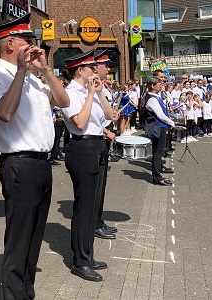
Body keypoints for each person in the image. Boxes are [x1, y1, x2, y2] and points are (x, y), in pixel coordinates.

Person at [0, 13, 69, 299]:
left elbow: (64, 102)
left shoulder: (33, 78)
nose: (34, 45)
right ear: (9, 45)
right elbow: (4, 113)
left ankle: (25, 294)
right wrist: (20, 71)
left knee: (34, 238)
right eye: (27, 41)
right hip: (20, 164)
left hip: (41, 165)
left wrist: (45, 70)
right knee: (19, 240)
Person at [61, 49, 113, 282]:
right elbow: (80, 123)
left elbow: (110, 115)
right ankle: (80, 261)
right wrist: (91, 94)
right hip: (81, 147)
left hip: (97, 146)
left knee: (92, 206)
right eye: (92, 68)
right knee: (84, 207)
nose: (96, 71)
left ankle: (88, 256)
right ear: (80, 71)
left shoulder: (89, 91)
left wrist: (99, 93)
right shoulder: (69, 93)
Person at [94, 51, 118, 240]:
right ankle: (94, 223)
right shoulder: (91, 89)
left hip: (103, 140)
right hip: (96, 140)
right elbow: (88, 122)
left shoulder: (103, 89)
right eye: (106, 66)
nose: (108, 69)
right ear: (96, 67)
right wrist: (106, 131)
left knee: (102, 185)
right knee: (95, 188)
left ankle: (98, 220)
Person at [143, 76, 175, 186]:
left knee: (159, 151)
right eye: (159, 84)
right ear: (152, 86)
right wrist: (172, 123)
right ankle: (157, 177)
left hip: (161, 126)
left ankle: (157, 175)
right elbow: (160, 115)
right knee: (158, 152)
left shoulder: (156, 97)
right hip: (158, 127)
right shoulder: (151, 99)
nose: (161, 86)